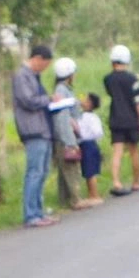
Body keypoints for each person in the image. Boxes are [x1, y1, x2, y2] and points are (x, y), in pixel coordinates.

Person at [11, 43, 57, 228]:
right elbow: (28, 100)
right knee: (34, 172)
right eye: (44, 64)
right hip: (33, 130)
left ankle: (38, 211)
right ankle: (31, 215)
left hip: (43, 129)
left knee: (42, 172)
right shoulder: (22, 76)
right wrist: (49, 99)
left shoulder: (34, 77)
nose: (44, 69)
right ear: (37, 59)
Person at [48, 57, 91, 210]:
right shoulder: (62, 91)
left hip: (63, 136)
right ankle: (75, 199)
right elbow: (62, 117)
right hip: (65, 136)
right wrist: (69, 141)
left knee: (64, 168)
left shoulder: (64, 89)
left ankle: (64, 199)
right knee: (71, 168)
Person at [104, 45, 139, 196]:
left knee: (117, 151)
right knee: (134, 150)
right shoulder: (133, 79)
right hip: (132, 119)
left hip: (116, 118)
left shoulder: (108, 79)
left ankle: (116, 182)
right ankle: (136, 181)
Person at [76, 93, 106, 203]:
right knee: (87, 171)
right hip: (84, 144)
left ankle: (95, 194)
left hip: (89, 144)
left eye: (86, 100)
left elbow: (97, 132)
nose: (83, 101)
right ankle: (91, 194)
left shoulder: (91, 117)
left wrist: (84, 135)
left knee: (90, 171)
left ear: (90, 104)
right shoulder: (81, 115)